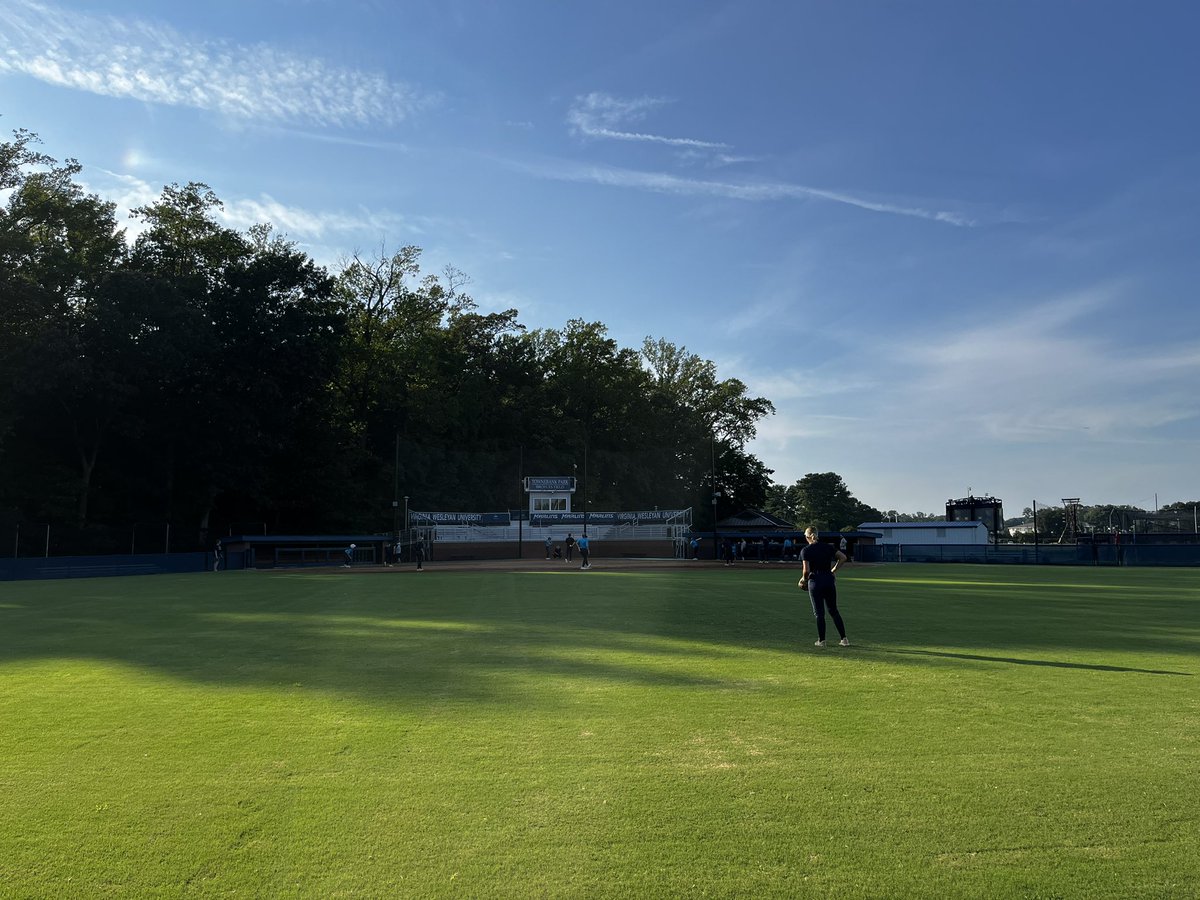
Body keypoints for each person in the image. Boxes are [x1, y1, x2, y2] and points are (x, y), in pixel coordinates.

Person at [799, 527, 849, 647]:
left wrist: (803, 580)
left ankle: (822, 641)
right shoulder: (828, 547)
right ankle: (844, 639)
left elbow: (806, 570)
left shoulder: (806, 550)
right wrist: (833, 570)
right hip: (829, 580)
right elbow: (843, 558)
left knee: (819, 613)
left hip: (815, 581)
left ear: (808, 536)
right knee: (833, 610)